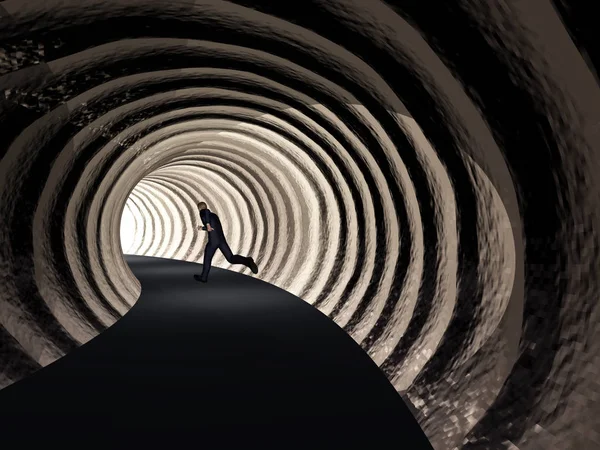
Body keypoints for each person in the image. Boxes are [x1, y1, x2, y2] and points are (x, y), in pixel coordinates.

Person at [193, 201, 258, 283]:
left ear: (199, 208)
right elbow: (213, 228)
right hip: (221, 240)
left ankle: (204, 277)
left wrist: (207, 224)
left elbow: (206, 212)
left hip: (213, 241)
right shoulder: (215, 216)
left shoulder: (203, 212)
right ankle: (248, 261)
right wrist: (203, 228)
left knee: (208, 257)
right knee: (231, 258)